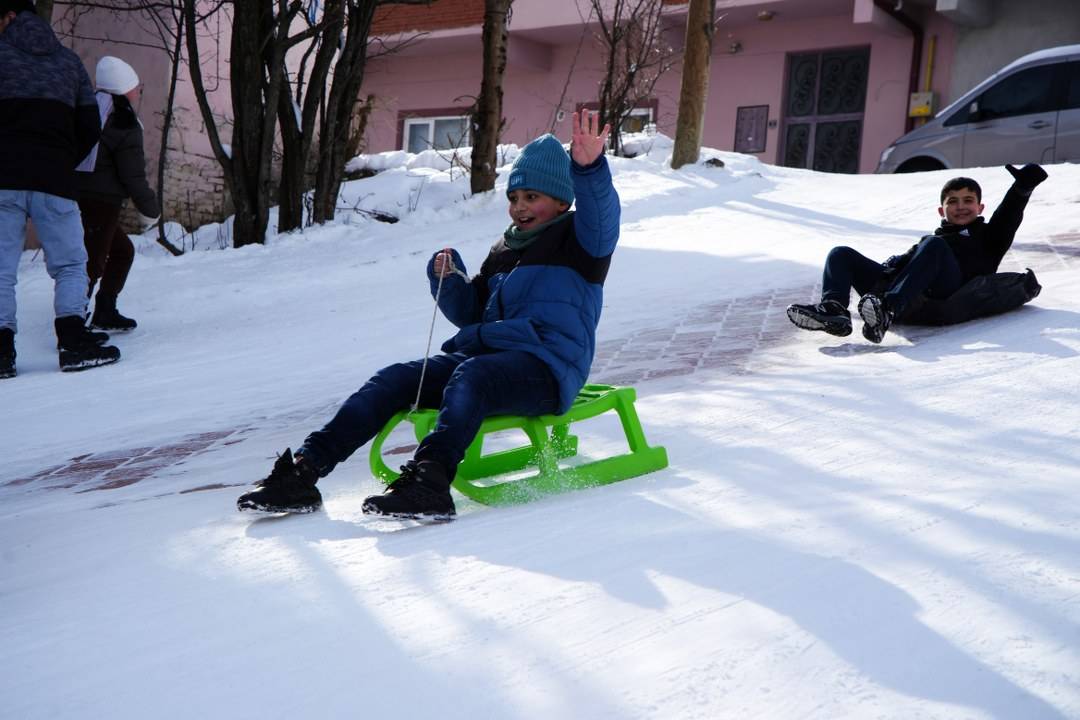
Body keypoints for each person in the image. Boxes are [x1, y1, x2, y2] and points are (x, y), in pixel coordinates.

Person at [237, 111, 619, 519]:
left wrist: (589, 167)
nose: (519, 208)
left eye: (532, 198)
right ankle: (304, 471)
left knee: (471, 376)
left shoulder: (582, 242)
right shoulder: (505, 250)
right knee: (395, 378)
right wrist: (450, 281)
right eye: (514, 197)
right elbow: (473, 314)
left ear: (562, 201)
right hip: (488, 359)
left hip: (548, 368)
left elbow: (600, 208)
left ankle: (431, 483)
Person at [787, 163, 1048, 343]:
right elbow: (906, 267)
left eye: (968, 201)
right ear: (941, 210)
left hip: (948, 298)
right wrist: (897, 264)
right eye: (952, 202)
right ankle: (835, 312)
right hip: (912, 297)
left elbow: (1009, 215)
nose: (960, 207)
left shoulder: (990, 237)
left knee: (934, 246)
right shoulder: (931, 241)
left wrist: (1021, 189)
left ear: (980, 207)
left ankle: (887, 310)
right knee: (840, 254)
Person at [0, 0, 120, 378]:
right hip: (55, 179)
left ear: (9, 17)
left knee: (0, 269)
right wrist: (61, 160)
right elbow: (90, 126)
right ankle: (72, 342)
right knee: (70, 264)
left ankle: (1, 352)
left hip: (3, 180)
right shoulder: (69, 63)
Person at [77, 55, 159, 332]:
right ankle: (72, 323)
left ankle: (105, 310)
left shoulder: (86, 110)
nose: (138, 92)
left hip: (74, 196)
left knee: (122, 251)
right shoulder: (124, 123)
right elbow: (133, 176)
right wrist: (151, 209)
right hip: (102, 202)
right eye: (135, 87)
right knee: (92, 263)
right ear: (123, 89)